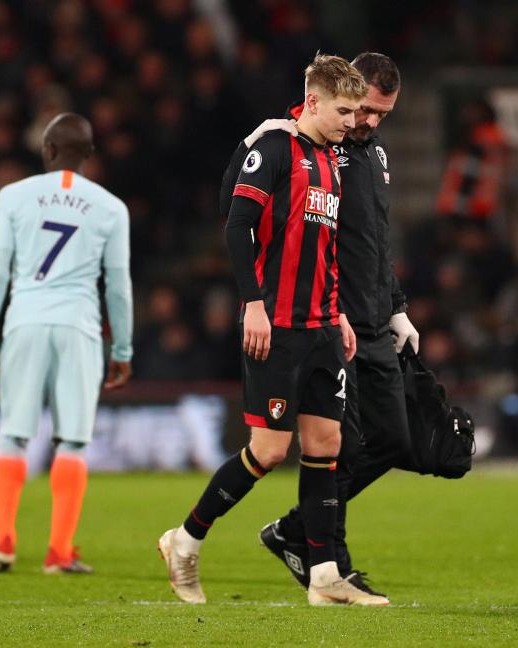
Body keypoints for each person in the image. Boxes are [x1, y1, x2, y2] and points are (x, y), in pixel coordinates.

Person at [157, 54, 387, 607]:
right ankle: (185, 538)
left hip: (321, 325)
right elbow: (235, 224)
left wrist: (337, 314)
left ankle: (325, 575)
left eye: (358, 111)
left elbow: (324, 248)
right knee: (265, 451)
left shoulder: (332, 159)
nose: (352, 121)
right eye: (344, 110)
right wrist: (253, 304)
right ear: (312, 101)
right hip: (276, 324)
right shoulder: (274, 147)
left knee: (326, 444)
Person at [222, 53, 419, 598]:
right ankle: (329, 566)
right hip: (323, 318)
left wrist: (396, 304)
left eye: (379, 114)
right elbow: (236, 214)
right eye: (362, 111)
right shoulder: (294, 143)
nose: (368, 123)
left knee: (391, 440)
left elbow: (375, 239)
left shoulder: (368, 153)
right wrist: (245, 148)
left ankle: (295, 532)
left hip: (367, 318)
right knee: (333, 444)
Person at [0, 112, 133, 574]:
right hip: (79, 327)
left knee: (13, 433)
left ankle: (3, 541)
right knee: (73, 442)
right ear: (89, 156)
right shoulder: (109, 207)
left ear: (46, 150)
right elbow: (118, 286)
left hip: (24, 321)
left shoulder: (13, 197)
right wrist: (121, 348)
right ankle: (59, 551)